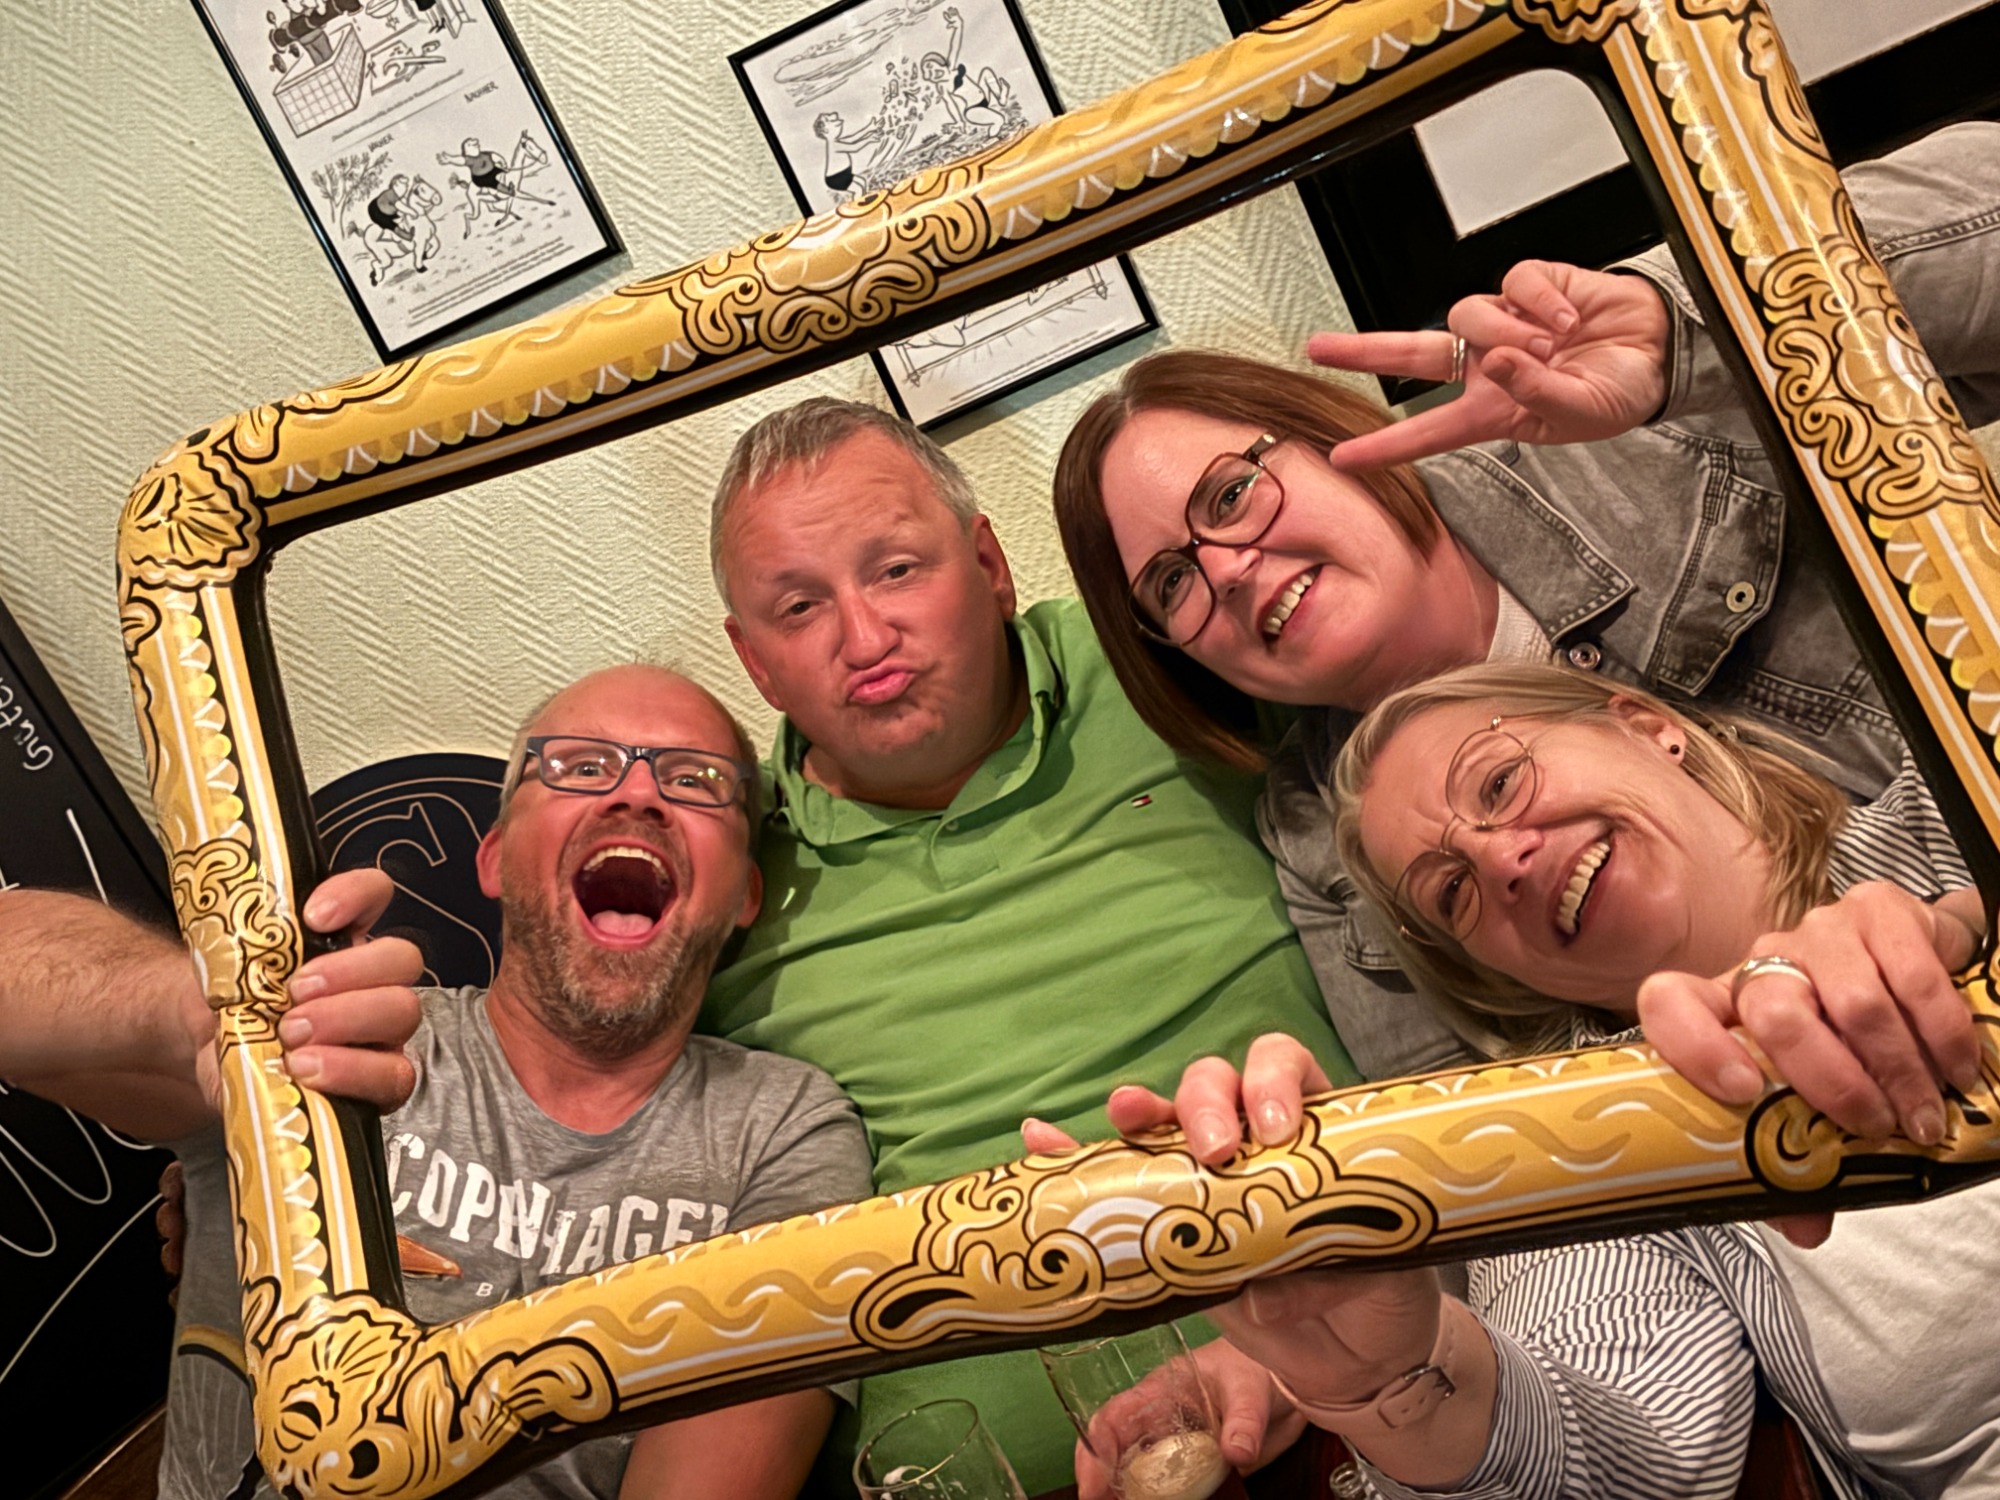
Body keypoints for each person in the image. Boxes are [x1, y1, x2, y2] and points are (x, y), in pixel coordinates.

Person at [1051, 121, 2000, 1092]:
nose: (1226, 569)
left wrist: (1694, 333)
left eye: (1228, 496)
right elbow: (1475, 1139)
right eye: (1170, 584)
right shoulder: (1315, 843)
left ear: (1324, 437)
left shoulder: (1617, 425)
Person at [1042, 662, 1993, 1499]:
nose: (1500, 858)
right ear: (1497, 973)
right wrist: (1393, 1380)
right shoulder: (1574, 1145)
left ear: (1649, 729)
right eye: (1452, 891)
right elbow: (1610, 1461)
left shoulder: (1961, 794)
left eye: (1499, 781)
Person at [4, 665, 874, 1500]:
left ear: (745, 893)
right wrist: (210, 1016)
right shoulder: (333, 1036)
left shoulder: (783, 1130)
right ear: (494, 860)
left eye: (695, 780)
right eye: (580, 766)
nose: (638, 794)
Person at [700, 397, 1353, 1493]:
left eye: (896, 570)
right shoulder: (720, 868)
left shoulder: (1166, 657)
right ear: (754, 663)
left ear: (990, 565)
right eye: (799, 607)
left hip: (1343, 1384)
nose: (863, 639)